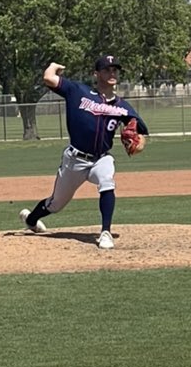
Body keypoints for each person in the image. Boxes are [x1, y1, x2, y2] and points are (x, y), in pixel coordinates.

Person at [18, 55, 149, 250]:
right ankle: (31, 219)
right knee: (56, 204)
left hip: (101, 158)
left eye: (114, 70)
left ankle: (105, 232)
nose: (112, 73)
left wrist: (137, 142)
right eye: (106, 69)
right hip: (74, 159)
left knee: (107, 181)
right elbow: (48, 78)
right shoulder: (77, 91)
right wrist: (54, 65)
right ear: (96, 74)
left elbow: (141, 132)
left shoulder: (122, 106)